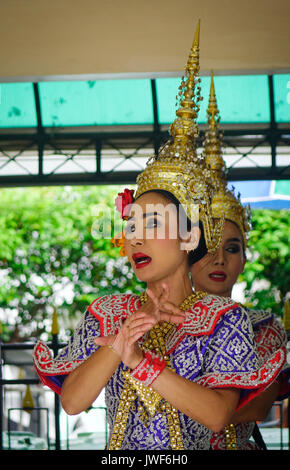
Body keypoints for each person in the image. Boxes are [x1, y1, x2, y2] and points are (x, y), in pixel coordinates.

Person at [33, 23, 286, 451]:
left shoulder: (225, 319)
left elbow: (218, 413)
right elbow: (74, 402)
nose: (135, 239)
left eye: (153, 224)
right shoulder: (109, 313)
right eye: (131, 226)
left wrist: (140, 363)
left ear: (189, 238)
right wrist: (117, 346)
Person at [190, 74, 290, 450]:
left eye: (232, 248)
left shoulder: (263, 327)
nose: (219, 258)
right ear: (185, 253)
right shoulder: (160, 321)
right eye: (207, 245)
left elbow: (257, 406)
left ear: (244, 259)